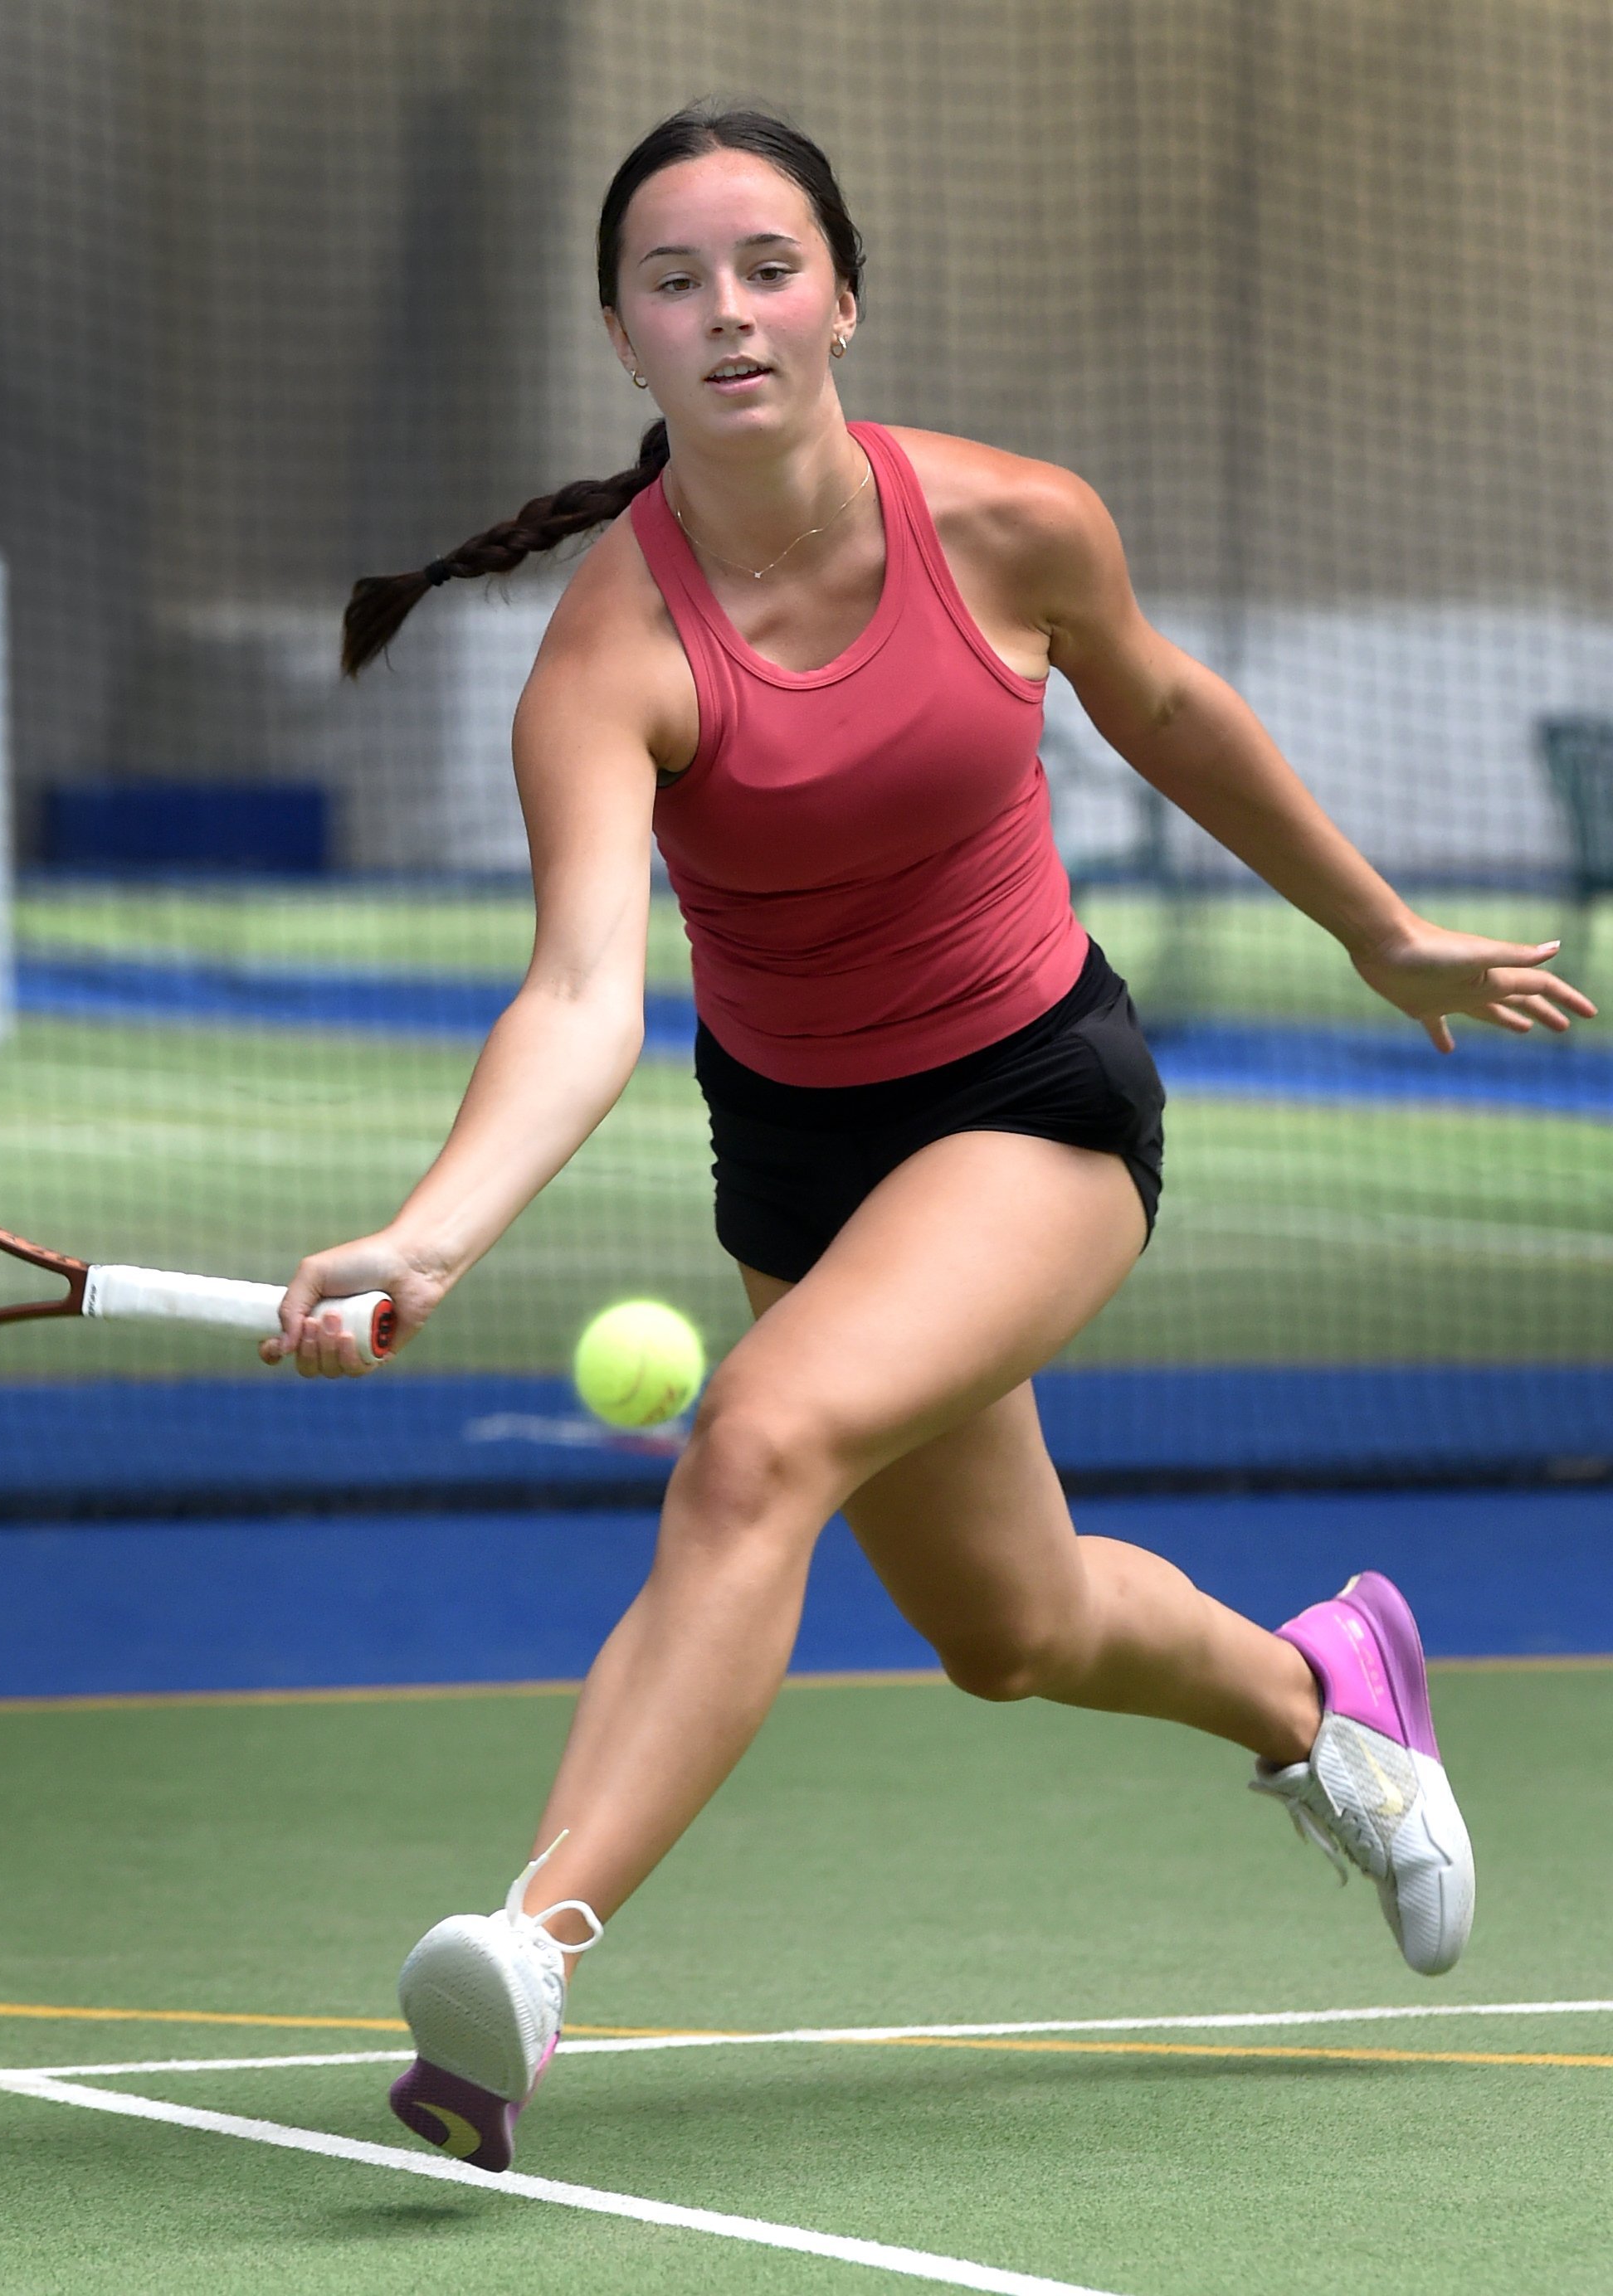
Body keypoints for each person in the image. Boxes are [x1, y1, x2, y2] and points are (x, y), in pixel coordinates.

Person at [266, 105, 1594, 2172]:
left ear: (844, 296)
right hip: (798, 1161)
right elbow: (579, 996)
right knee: (1013, 1629)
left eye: (767, 266)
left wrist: (1381, 932)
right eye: (674, 279)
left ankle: (529, 1951)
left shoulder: (1006, 526)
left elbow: (1165, 709)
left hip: (1034, 1106)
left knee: (757, 1442)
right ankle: (1333, 1706)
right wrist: (428, 1235)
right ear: (620, 337)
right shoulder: (608, 654)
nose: (728, 312)